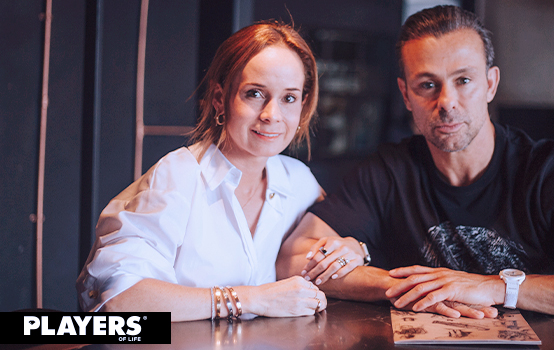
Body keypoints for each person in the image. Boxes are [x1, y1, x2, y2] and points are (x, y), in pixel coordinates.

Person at [277, 5, 554, 319]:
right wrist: (413, 288)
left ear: (490, 84)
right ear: (406, 95)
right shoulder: (389, 171)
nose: (446, 102)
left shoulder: (553, 173)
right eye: (427, 85)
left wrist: (495, 288)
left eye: (463, 81)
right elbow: (292, 259)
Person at [77, 22, 362, 321]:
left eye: (288, 98)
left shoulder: (299, 182)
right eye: (254, 94)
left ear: (302, 106)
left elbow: (324, 249)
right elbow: (120, 301)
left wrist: (353, 249)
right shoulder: (178, 176)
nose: (272, 115)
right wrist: (250, 299)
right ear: (219, 99)